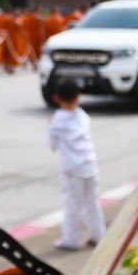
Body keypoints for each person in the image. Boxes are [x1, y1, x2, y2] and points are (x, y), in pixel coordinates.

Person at [45, 76, 103, 251]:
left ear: (56, 98)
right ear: (79, 96)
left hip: (72, 170)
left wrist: (50, 126)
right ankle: (98, 235)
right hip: (90, 165)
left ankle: (71, 239)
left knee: (72, 204)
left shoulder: (57, 121)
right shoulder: (84, 117)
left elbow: (53, 147)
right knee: (93, 202)